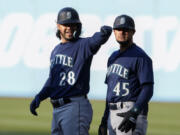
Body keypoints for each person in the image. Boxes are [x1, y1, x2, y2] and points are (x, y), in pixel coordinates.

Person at [29, 7, 112, 135]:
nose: (69, 27)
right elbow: (52, 80)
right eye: (65, 24)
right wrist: (40, 96)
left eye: (73, 24)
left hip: (74, 107)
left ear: (77, 26)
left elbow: (97, 39)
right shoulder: (55, 50)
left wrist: (104, 32)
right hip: (57, 110)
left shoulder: (83, 45)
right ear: (58, 26)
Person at [98, 15, 154, 135]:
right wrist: (104, 119)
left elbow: (148, 89)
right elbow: (110, 91)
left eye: (126, 29)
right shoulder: (112, 57)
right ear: (114, 32)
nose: (122, 32)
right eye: (118, 29)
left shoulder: (141, 57)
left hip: (130, 111)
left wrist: (134, 112)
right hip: (112, 114)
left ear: (133, 32)